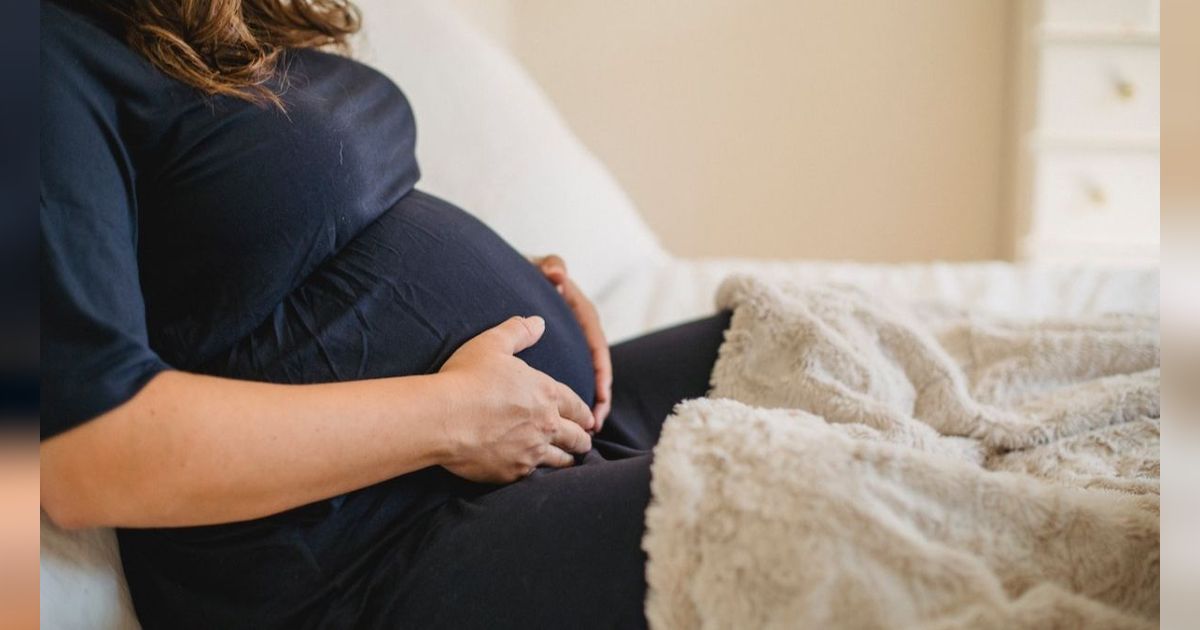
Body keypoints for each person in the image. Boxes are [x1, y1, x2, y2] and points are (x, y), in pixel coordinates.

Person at [39, 1, 731, 627]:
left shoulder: (198, 29)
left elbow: (256, 243)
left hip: (510, 453)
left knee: (802, 341)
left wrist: (525, 280)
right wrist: (454, 416)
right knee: (795, 506)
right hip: (365, 550)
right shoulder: (42, 50)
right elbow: (86, 457)